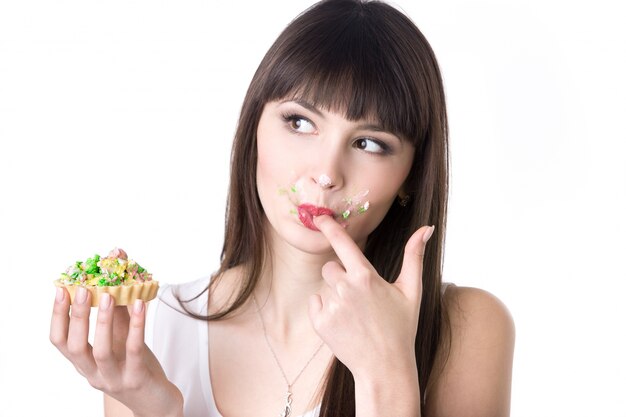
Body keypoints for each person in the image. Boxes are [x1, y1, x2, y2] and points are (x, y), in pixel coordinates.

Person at [50, 0, 515, 416]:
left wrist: (386, 373)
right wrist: (159, 410)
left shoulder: (467, 327)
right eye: (300, 121)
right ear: (254, 128)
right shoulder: (153, 333)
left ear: (410, 176)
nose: (327, 172)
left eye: (369, 143)